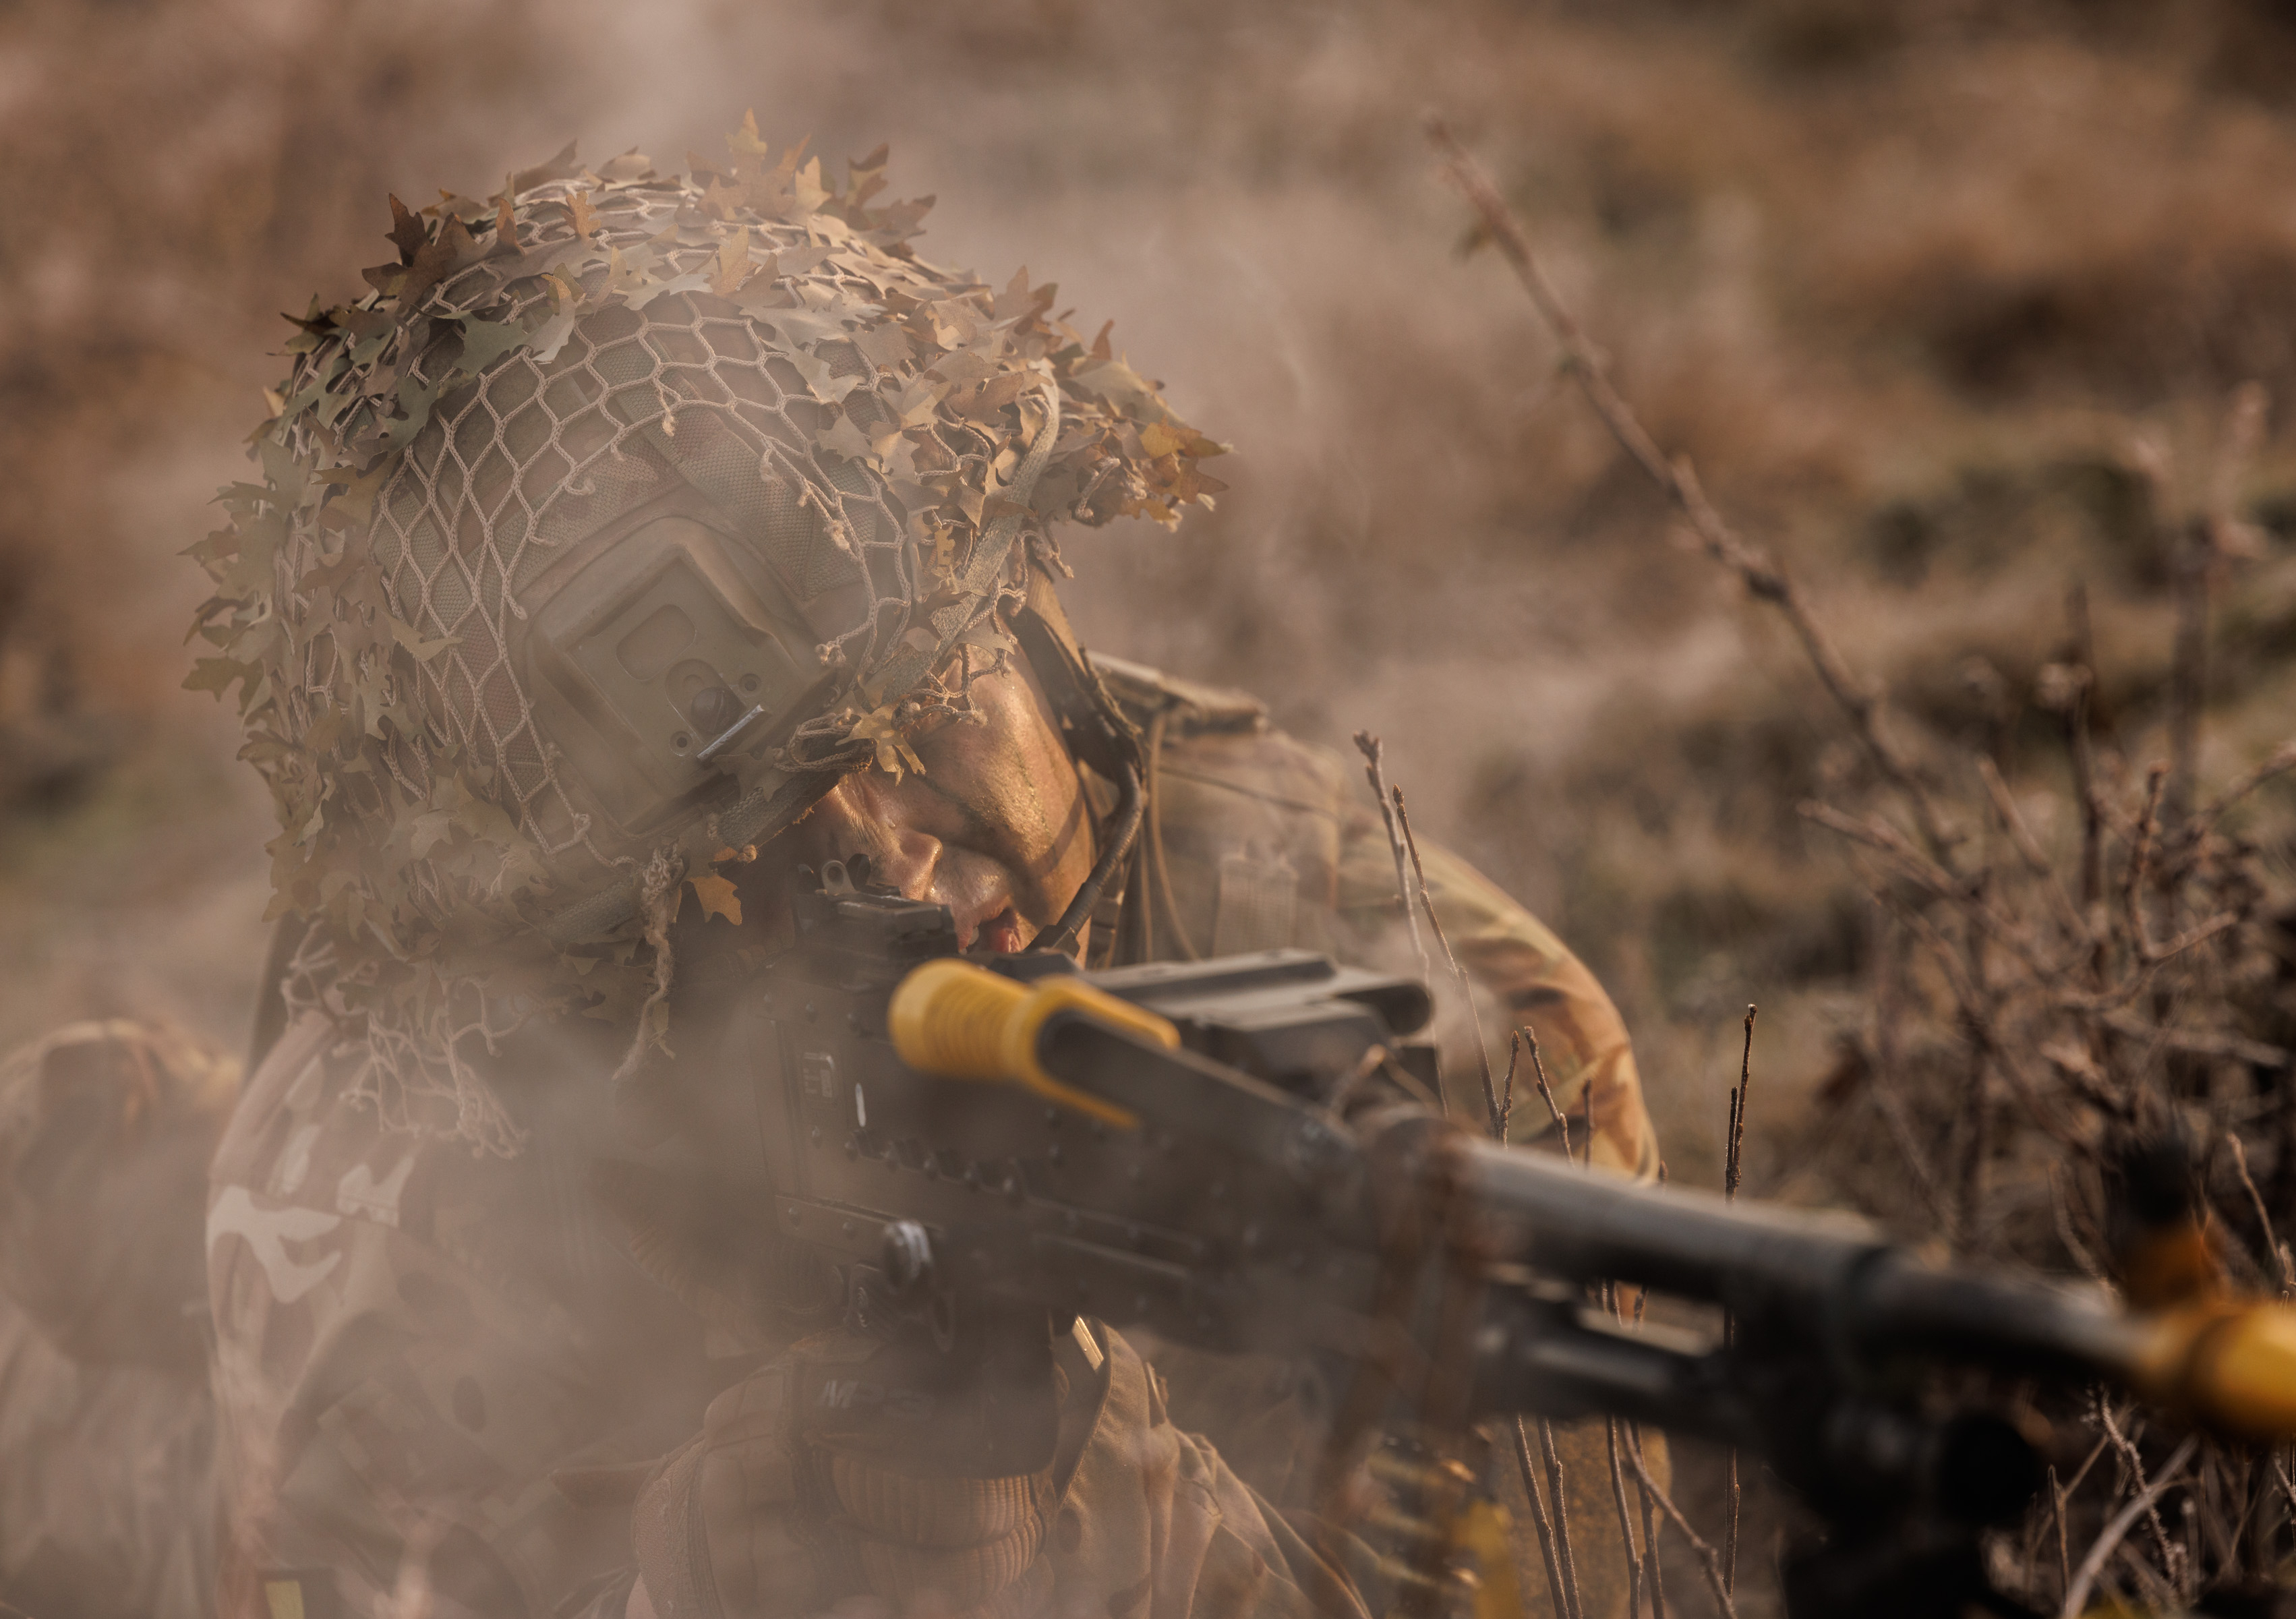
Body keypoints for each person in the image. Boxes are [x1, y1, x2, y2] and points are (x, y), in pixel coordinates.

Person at [173, 118, 1658, 1619]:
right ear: (589, 943)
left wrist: (1106, 1508)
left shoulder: (1418, 1001)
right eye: (742, 836)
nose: (888, 857)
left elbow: (1545, 1590)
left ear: (1034, 634)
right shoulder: (391, 1195)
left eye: (920, 713)